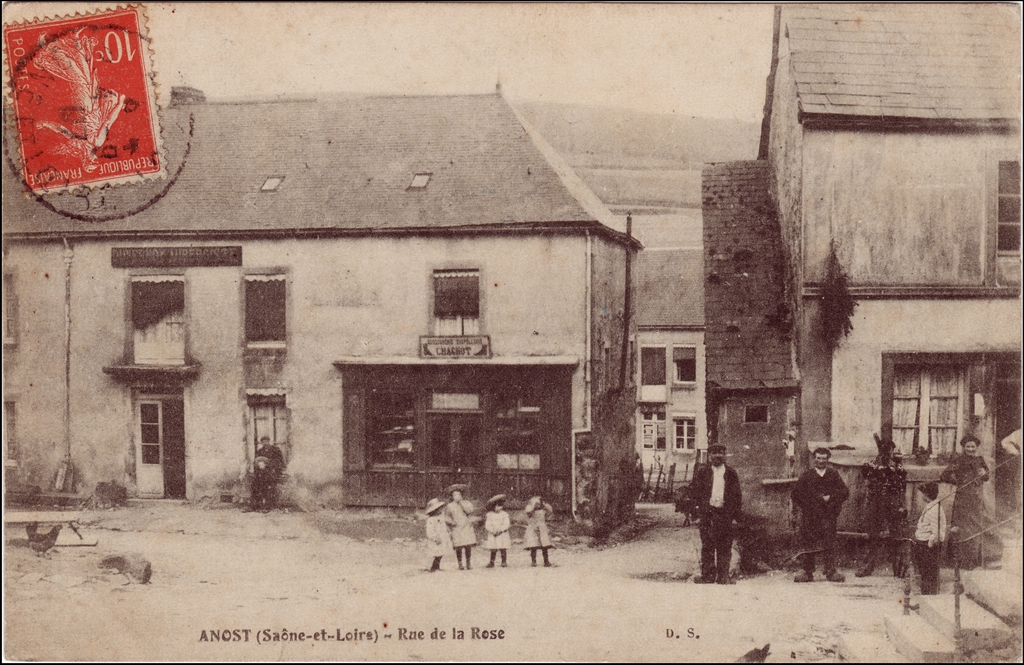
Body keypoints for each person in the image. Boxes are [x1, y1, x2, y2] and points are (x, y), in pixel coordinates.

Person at [792, 447, 849, 583]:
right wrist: (812, 502)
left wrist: (831, 498)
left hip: (828, 516)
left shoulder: (833, 474)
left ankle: (830, 572)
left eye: (824, 459)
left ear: (827, 459)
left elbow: (844, 492)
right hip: (811, 516)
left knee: (829, 543)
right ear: (814, 459)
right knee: (809, 543)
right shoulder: (807, 476)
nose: (821, 461)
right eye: (818, 458)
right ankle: (807, 572)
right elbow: (796, 494)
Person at [855, 435, 907, 578]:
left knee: (897, 535)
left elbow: (902, 487)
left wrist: (901, 505)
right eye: (882, 449)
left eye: (888, 450)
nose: (885, 452)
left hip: (892, 501)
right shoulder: (871, 464)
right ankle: (867, 567)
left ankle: (900, 568)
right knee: (873, 535)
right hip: (875, 502)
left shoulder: (898, 466)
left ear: (892, 450)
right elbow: (866, 478)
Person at [689, 444, 742, 584]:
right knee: (707, 545)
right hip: (708, 514)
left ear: (725, 455)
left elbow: (737, 497)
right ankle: (708, 576)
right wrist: (696, 514)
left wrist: (735, 517)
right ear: (709, 456)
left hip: (724, 514)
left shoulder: (731, 474)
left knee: (724, 546)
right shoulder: (703, 473)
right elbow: (695, 494)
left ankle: (723, 576)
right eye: (714, 453)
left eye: (721, 453)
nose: (718, 456)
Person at [939, 435, 990, 570]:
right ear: (963, 447)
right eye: (968, 446)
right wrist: (958, 483)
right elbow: (944, 475)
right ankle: (956, 562)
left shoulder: (980, 460)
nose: (971, 449)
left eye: (973, 446)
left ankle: (973, 561)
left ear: (976, 447)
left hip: (976, 500)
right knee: (960, 528)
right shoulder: (958, 460)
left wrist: (983, 474)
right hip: (962, 500)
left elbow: (987, 477)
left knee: (975, 527)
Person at [912, 482, 947, 595]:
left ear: (927, 495)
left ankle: (929, 598)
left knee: (928, 574)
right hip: (922, 544)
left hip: (927, 547)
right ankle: (924, 598)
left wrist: (930, 544)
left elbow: (936, 531)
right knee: (924, 574)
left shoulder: (934, 510)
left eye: (923, 493)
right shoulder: (930, 506)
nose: (921, 496)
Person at [443, 484, 477, 570]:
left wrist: (461, 503)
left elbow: (470, 511)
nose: (456, 496)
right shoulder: (450, 506)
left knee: (467, 546)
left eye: (458, 494)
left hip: (466, 526)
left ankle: (468, 563)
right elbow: (446, 517)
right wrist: (451, 522)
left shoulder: (467, 503)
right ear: (452, 496)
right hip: (456, 528)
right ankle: (460, 563)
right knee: (458, 546)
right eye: (454, 495)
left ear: (462, 495)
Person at [250, 436, 285, 512]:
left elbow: (280, 462)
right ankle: (255, 506)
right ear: (261, 443)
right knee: (254, 484)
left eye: (266, 441)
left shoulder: (276, 450)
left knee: (268, 484)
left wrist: (267, 464)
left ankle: (267, 506)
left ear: (269, 441)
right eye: (263, 442)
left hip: (273, 472)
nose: (265, 443)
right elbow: (256, 462)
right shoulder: (259, 451)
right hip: (261, 472)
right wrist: (259, 465)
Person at [524, 495, 554, 567]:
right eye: (536, 504)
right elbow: (528, 511)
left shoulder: (542, 511)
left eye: (539, 504)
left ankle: (546, 561)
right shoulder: (531, 512)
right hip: (533, 530)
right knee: (533, 546)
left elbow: (550, 510)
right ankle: (533, 561)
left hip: (542, 529)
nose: (538, 505)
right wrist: (533, 506)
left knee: (544, 546)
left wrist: (544, 504)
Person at [424, 497, 453, 572]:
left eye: (441, 509)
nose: (441, 510)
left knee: (441, 553)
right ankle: (433, 567)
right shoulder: (430, 520)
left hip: (442, 538)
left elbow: (442, 525)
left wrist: (448, 532)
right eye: (439, 509)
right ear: (434, 510)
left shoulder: (439, 518)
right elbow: (429, 531)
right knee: (435, 553)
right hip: (435, 539)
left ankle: (437, 566)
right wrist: (435, 538)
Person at [484, 494, 511, 568]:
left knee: (503, 548)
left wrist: (501, 530)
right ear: (493, 506)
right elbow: (488, 525)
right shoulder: (490, 515)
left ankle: (504, 561)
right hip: (493, 534)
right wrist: (492, 531)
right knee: (493, 548)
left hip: (502, 534)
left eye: (501, 506)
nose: (500, 508)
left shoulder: (504, 514)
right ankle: (492, 562)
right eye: (498, 506)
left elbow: (507, 524)